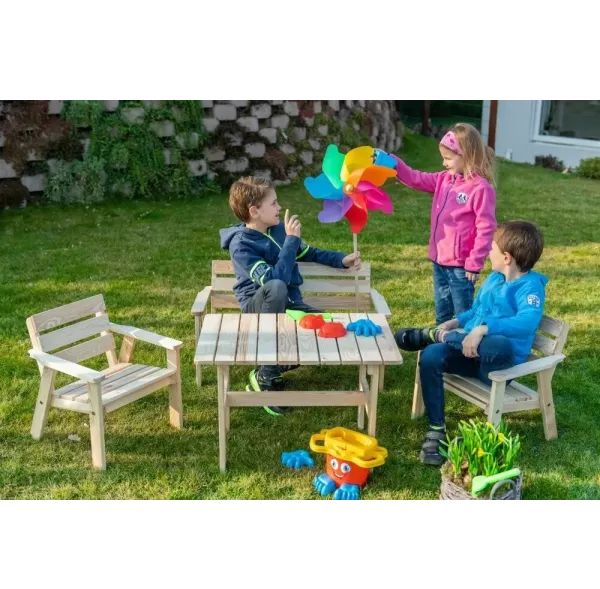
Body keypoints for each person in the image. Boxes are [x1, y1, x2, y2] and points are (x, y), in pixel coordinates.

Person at [394, 221, 546, 466]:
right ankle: (436, 429)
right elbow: (476, 311)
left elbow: (527, 322)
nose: (488, 252)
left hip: (495, 367)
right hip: (467, 351)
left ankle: (433, 335)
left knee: (499, 344)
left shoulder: (530, 288)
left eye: (492, 248)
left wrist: (483, 329)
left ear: (506, 258)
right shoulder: (494, 279)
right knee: (431, 355)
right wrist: (455, 322)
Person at [220, 176, 361, 416]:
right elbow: (275, 280)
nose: (279, 207)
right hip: (258, 310)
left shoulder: (278, 230)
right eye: (273, 203)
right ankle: (266, 375)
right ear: (254, 211)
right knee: (277, 287)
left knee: (327, 327)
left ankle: (272, 365)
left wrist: (341, 260)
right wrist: (291, 241)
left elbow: (309, 253)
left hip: (290, 305)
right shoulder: (241, 245)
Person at [374, 123, 497, 324]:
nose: (443, 163)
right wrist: (392, 162)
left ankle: (467, 343)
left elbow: (486, 228)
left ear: (467, 155)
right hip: (439, 261)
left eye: (448, 158)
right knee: (442, 315)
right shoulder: (443, 179)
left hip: (461, 266)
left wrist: (474, 263)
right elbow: (415, 178)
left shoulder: (480, 188)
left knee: (463, 316)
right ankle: (441, 342)